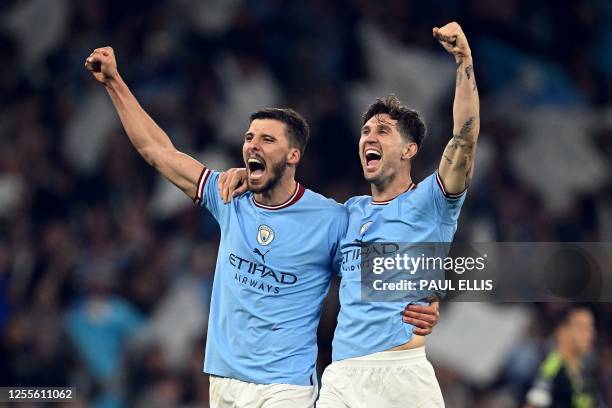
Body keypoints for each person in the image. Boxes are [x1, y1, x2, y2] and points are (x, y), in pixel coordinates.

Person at [84, 47, 438, 408]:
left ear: (293, 156)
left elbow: (385, 257)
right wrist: (114, 82)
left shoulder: (331, 219)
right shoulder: (228, 196)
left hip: (285, 388)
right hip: (223, 379)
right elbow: (157, 151)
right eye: (249, 138)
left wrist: (429, 295)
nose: (253, 145)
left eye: (267, 140)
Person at [219, 21, 479, 407]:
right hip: (343, 376)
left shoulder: (432, 202)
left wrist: (463, 60)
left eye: (383, 131)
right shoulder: (346, 215)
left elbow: (464, 138)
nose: (369, 138)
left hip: (402, 374)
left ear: (409, 150)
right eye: (365, 131)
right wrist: (250, 174)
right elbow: (289, 215)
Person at [525, 306, 598, 408]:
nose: (590, 334)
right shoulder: (550, 366)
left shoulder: (585, 372)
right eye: (582, 328)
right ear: (562, 332)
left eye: (591, 328)